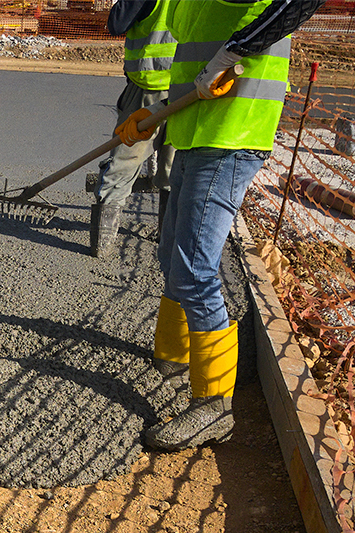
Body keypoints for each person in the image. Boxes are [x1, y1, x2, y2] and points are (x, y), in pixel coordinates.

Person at [114, 0, 325, 450]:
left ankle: (214, 407)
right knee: (170, 254)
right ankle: (173, 359)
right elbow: (188, 63)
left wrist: (232, 53)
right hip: (193, 131)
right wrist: (153, 116)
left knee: (194, 268)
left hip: (232, 135)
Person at [89, 0, 176, 257]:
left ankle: (102, 246)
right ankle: (168, 240)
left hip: (150, 91)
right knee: (175, 171)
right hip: (190, 89)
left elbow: (117, 23)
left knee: (123, 164)